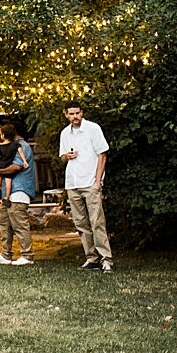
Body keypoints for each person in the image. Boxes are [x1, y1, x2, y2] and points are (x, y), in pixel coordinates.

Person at [59, 105, 113, 272]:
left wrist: (98, 181)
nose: (75, 116)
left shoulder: (92, 128)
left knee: (97, 221)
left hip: (90, 182)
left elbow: (102, 154)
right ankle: (91, 258)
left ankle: (106, 259)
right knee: (81, 223)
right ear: (66, 115)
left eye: (77, 113)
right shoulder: (65, 133)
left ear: (81, 113)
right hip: (72, 183)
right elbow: (61, 157)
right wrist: (67, 156)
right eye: (71, 114)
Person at [0, 125, 37, 266]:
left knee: (19, 224)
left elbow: (16, 166)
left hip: (19, 190)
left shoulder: (22, 146)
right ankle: (5, 254)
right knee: (4, 222)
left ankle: (27, 256)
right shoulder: (8, 146)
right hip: (7, 192)